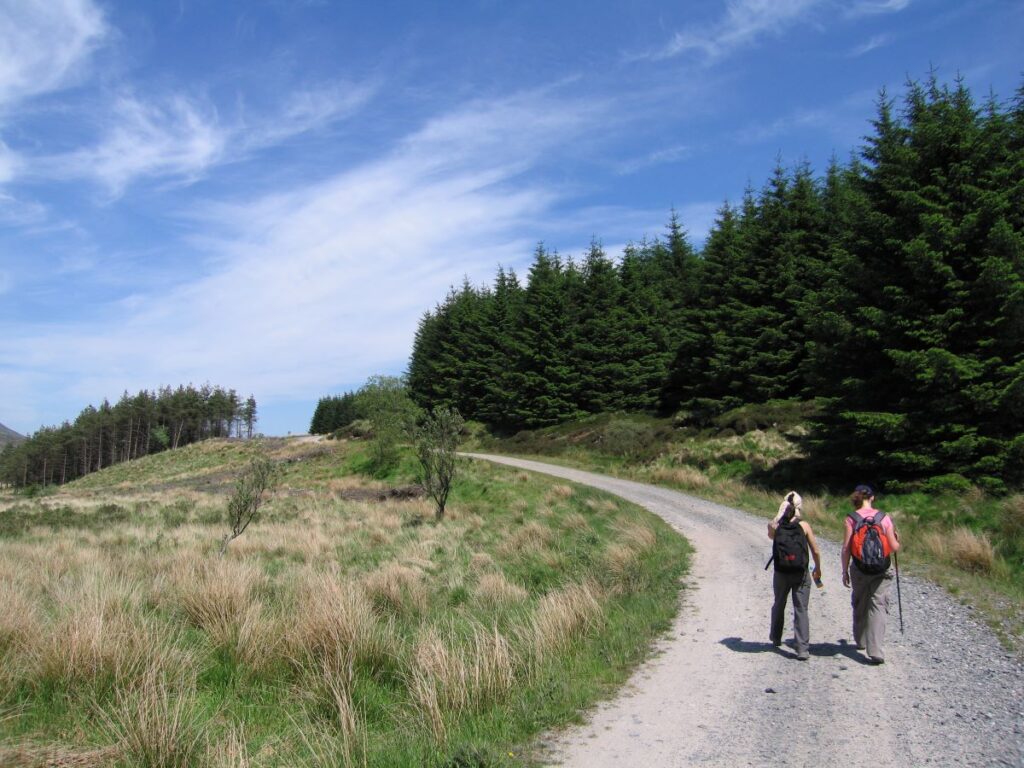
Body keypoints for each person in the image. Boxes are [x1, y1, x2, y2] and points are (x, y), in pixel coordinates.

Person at [841, 484, 901, 664]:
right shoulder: (884, 518)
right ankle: (875, 650)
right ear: (872, 498)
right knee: (878, 604)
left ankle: (860, 640)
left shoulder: (851, 518)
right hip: (882, 569)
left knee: (860, 602)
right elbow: (894, 547)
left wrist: (845, 571)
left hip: (859, 568)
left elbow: (846, 548)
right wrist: (897, 538)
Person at [767, 491, 822, 661]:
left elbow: (771, 535)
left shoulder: (774, 526)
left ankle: (776, 637)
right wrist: (817, 568)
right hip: (801, 572)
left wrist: (779, 515)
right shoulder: (804, 526)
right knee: (801, 608)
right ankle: (802, 649)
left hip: (781, 572)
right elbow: (816, 551)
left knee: (779, 603)